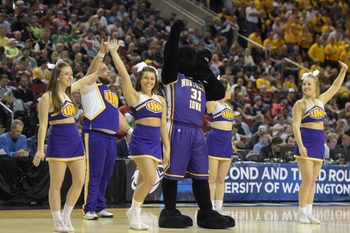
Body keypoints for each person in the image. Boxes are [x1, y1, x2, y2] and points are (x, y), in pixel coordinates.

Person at [32, 58, 105, 232]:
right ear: (57, 77)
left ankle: (66, 216)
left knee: (80, 181)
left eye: (71, 74)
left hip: (75, 140)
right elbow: (43, 125)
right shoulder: (47, 97)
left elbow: (86, 79)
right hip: (58, 140)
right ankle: (57, 220)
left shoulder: (70, 92)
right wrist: (40, 149)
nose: (69, 77)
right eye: (66, 74)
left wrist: (98, 70)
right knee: (57, 183)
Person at [109, 41, 170, 229]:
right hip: (140, 141)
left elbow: (162, 126)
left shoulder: (161, 99)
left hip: (155, 144)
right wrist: (114, 53)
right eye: (146, 78)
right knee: (151, 179)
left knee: (145, 180)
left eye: (152, 79)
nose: (149, 81)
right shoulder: (135, 96)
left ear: (156, 81)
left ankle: (134, 211)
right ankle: (134, 214)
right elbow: (124, 76)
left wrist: (167, 148)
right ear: (140, 80)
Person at [80, 38, 132, 221]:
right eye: (104, 68)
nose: (107, 70)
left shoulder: (112, 92)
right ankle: (89, 208)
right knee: (94, 173)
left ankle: (100, 206)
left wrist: (130, 131)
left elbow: (118, 117)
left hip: (111, 138)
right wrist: (102, 53)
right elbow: (91, 70)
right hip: (94, 134)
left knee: (106, 173)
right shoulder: (89, 86)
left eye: (107, 69)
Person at [293, 61, 348, 224]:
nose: (306, 87)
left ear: (316, 87)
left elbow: (335, 87)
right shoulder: (300, 104)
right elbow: (295, 126)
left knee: (313, 181)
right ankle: (301, 212)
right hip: (305, 143)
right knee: (307, 180)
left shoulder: (321, 100)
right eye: (304, 85)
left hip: (318, 144)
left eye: (309, 84)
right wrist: (301, 145)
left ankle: (309, 212)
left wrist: (343, 71)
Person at [206, 79, 235, 214]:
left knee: (221, 179)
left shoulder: (229, 107)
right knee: (211, 178)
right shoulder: (212, 103)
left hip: (226, 143)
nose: (231, 91)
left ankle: (219, 207)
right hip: (214, 142)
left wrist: (231, 143)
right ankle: (210, 207)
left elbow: (229, 128)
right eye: (229, 89)